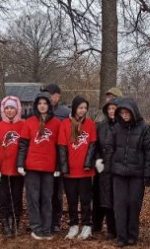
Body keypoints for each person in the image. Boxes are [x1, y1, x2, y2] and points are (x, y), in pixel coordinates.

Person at [103, 98, 150, 247]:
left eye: (127, 112)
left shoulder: (144, 128)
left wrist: (147, 175)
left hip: (136, 174)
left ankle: (132, 235)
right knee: (119, 205)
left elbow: (149, 152)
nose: (125, 115)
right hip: (118, 173)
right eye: (122, 113)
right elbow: (109, 149)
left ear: (134, 112)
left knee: (134, 204)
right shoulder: (116, 128)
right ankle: (121, 236)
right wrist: (109, 169)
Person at [17, 93, 61, 240]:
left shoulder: (56, 123)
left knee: (47, 198)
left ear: (49, 105)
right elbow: (23, 145)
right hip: (32, 166)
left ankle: (47, 227)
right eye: (40, 103)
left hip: (49, 167)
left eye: (45, 103)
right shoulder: (29, 122)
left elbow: (59, 146)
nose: (42, 106)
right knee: (33, 198)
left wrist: (58, 166)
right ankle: (36, 227)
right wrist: (20, 164)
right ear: (36, 106)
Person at [58, 96, 98, 240]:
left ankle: (87, 225)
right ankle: (73, 225)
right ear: (74, 108)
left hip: (85, 171)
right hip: (70, 171)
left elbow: (92, 146)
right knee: (72, 200)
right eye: (80, 108)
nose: (83, 111)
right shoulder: (64, 124)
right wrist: (64, 168)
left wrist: (88, 164)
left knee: (86, 200)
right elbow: (62, 148)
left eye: (85, 108)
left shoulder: (90, 124)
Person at [0, 96, 25, 237]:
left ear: (17, 109)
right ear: (3, 110)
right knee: (3, 197)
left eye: (12, 108)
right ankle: (5, 222)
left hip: (18, 169)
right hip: (2, 169)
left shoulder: (23, 125)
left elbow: (26, 146)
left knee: (17, 197)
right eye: (7, 108)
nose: (10, 110)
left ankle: (15, 221)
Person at [42, 83, 70, 233]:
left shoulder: (65, 113)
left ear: (57, 96)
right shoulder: (39, 111)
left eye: (49, 94)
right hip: (43, 157)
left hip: (58, 159)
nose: (46, 97)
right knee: (42, 191)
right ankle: (43, 219)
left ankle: (55, 221)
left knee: (56, 192)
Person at [92, 98, 119, 239]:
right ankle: (99, 226)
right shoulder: (101, 126)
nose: (111, 111)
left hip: (116, 168)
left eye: (114, 108)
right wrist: (97, 159)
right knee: (101, 197)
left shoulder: (122, 126)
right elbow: (96, 146)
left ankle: (114, 228)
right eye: (109, 109)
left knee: (114, 199)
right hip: (102, 168)